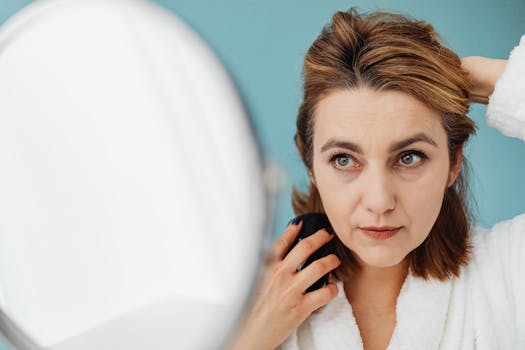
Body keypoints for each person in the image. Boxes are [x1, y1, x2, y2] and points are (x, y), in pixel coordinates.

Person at [230, 8, 524, 350]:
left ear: (453, 161)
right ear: (309, 163)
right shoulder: (239, 306)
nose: (379, 201)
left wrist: (489, 80)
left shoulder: (509, 275)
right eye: (344, 160)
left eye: (409, 158)